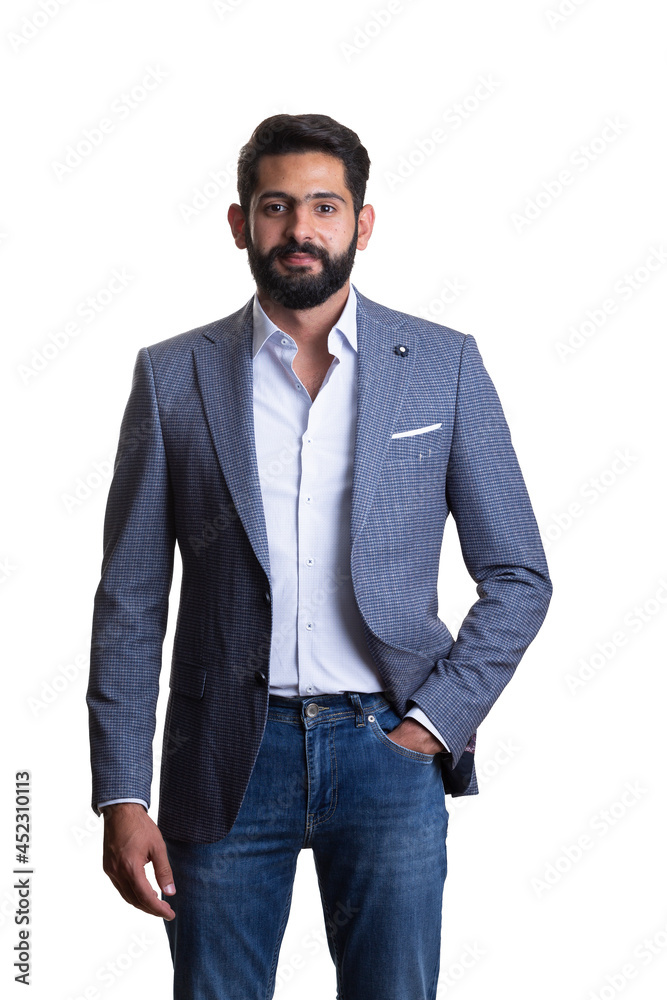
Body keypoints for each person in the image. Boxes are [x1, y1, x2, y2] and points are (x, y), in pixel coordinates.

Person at [86, 112, 552, 1000]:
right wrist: (120, 792)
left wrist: (435, 719)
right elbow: (132, 600)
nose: (300, 229)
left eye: (324, 207)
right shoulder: (171, 375)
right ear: (239, 223)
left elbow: (519, 574)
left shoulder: (443, 367)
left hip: (387, 752)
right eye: (276, 206)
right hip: (224, 756)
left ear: (361, 225)